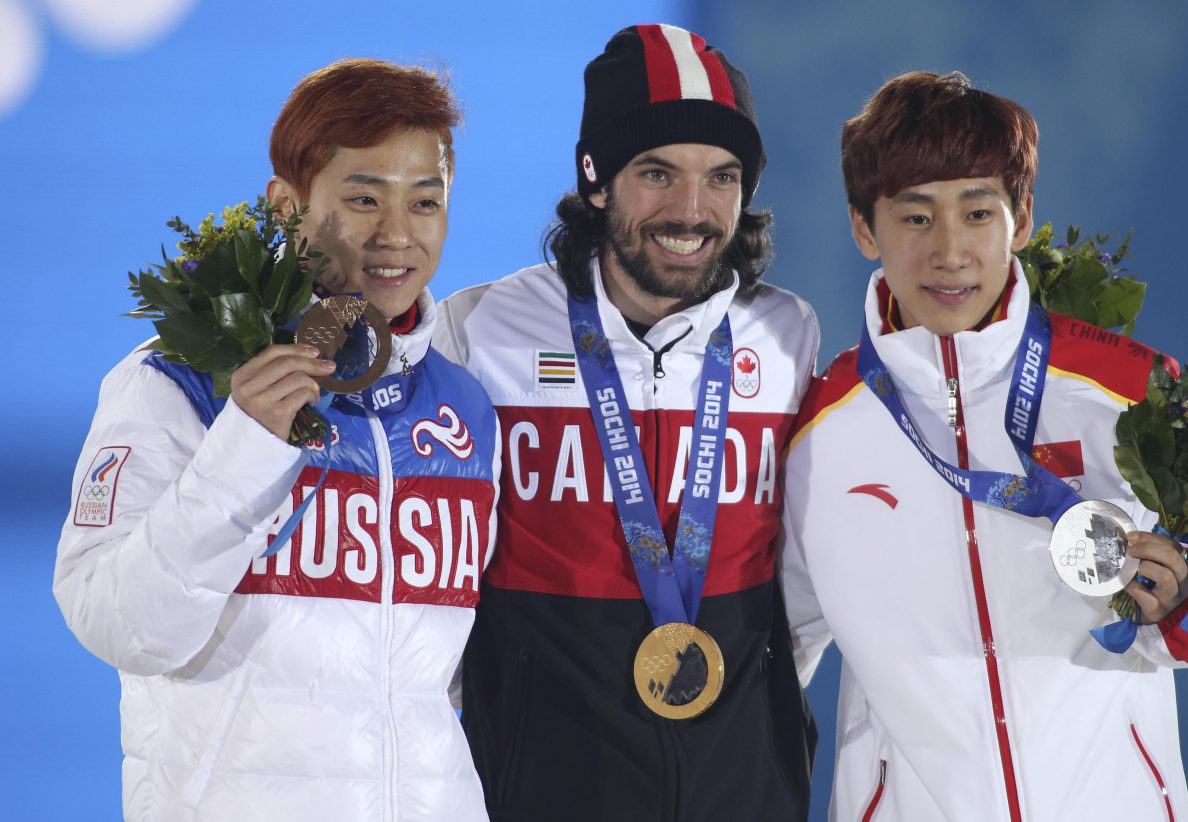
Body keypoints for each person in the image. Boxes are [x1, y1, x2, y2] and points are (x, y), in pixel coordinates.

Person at [779, 71, 1188, 821]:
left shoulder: (1128, 388)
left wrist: (1186, 592)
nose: (950, 252)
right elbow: (774, 655)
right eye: (914, 219)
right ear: (863, 228)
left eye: (978, 212)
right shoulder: (817, 432)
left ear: (1023, 216)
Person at [54, 59, 499, 821]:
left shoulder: (463, 406)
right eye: (364, 198)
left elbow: (445, 679)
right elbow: (122, 625)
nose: (398, 235)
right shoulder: (179, 382)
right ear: (286, 207)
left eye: (426, 202)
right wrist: (247, 445)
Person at [434, 24, 819, 820]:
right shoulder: (479, 330)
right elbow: (438, 577)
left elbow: (812, 573)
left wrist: (764, 703)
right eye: (656, 173)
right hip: (543, 783)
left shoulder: (789, 336)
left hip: (742, 782)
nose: (692, 210)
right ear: (597, 180)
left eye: (722, 177)